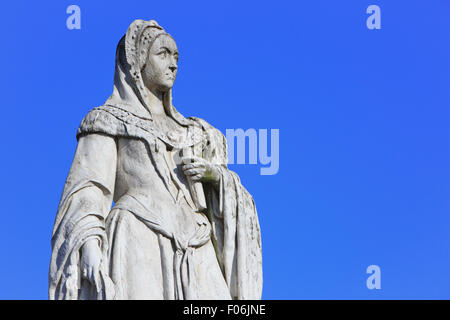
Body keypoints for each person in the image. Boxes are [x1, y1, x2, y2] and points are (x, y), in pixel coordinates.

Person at [49, 19, 262, 300]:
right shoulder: (107, 120)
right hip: (137, 238)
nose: (173, 64)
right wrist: (88, 243)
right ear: (139, 62)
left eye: (176, 56)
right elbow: (87, 189)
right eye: (163, 54)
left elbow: (236, 200)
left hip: (198, 247)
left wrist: (215, 176)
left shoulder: (197, 131)